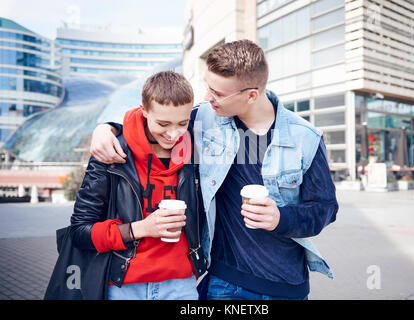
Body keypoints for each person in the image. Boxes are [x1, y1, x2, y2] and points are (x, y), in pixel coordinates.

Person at [90, 40, 338, 300]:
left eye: (218, 93)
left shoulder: (305, 137)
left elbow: (325, 209)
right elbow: (153, 121)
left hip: (285, 285)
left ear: (251, 95)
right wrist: (106, 129)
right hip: (223, 282)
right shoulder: (204, 119)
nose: (209, 98)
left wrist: (281, 218)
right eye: (208, 88)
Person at [71, 71, 206, 300]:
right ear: (143, 110)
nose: (173, 134)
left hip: (181, 285)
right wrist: (141, 228)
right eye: (163, 123)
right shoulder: (111, 152)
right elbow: (80, 232)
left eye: (182, 123)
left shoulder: (198, 148)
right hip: (124, 287)